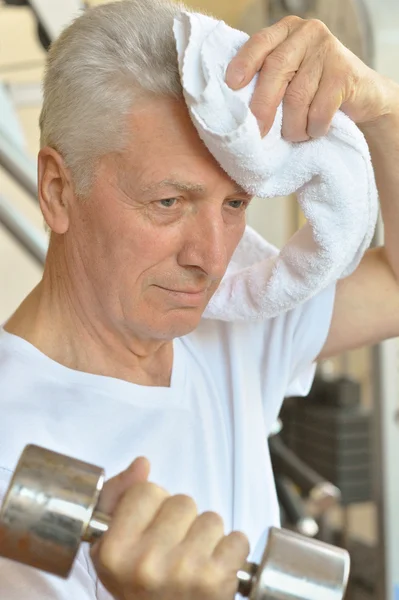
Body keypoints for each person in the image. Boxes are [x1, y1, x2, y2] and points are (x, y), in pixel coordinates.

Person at [0, 0, 398, 598]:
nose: (210, 258)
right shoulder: (11, 446)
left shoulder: (232, 320)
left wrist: (384, 111)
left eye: (233, 204)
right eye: (169, 203)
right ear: (58, 189)